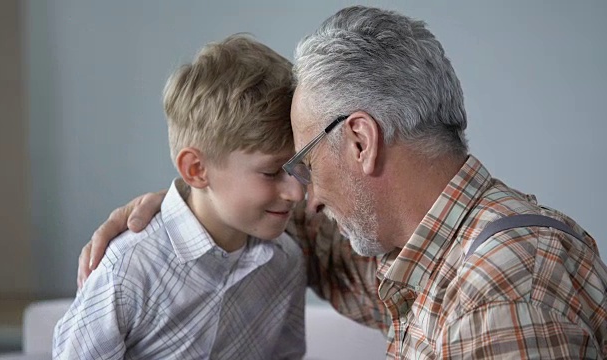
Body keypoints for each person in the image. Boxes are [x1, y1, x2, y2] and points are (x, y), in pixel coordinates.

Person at [78, 6, 607, 359]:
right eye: (281, 173)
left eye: (303, 164)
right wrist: (188, 211)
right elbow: (260, 224)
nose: (304, 195)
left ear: (360, 141)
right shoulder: (413, 254)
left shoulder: (500, 292)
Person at [54, 34, 307, 359]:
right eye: (272, 172)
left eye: (300, 166)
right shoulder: (127, 270)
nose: (297, 191)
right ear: (196, 169)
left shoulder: (287, 262)